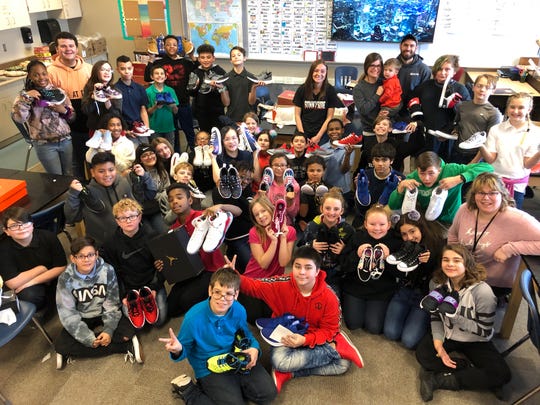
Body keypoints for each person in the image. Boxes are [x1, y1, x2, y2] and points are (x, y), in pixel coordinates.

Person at [239, 246, 364, 393]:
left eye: (308, 267)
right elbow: (254, 286)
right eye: (297, 266)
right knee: (279, 361)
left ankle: (288, 372)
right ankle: (334, 349)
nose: (302, 272)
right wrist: (232, 274)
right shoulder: (282, 283)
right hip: (287, 332)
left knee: (342, 366)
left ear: (317, 271)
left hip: (313, 337)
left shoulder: (329, 297)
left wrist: (305, 340)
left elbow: (330, 329)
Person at [159, 267, 277, 404]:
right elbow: (184, 348)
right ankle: (189, 391)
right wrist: (179, 349)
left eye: (228, 294)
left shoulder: (239, 310)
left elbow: (246, 335)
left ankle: (229, 390)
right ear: (210, 291)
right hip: (208, 365)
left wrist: (255, 348)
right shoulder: (192, 318)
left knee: (268, 394)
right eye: (217, 292)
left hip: (235, 355)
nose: (222, 299)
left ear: (236, 294)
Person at [415, 244, 511, 402]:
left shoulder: (482, 292)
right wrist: (439, 346)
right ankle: (469, 370)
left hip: (475, 339)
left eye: (456, 260)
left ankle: (440, 380)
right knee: (423, 354)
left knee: (502, 374)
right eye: (446, 259)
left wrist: (454, 316)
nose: (450, 264)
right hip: (449, 333)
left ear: (466, 264)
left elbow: (485, 331)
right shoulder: (436, 283)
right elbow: (436, 317)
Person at [55, 236, 143, 368]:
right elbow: (67, 314)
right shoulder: (65, 279)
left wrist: (108, 330)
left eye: (90, 255)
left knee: (129, 329)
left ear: (96, 254)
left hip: (104, 312)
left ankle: (98, 344)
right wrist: (88, 338)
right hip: (82, 316)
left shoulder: (107, 270)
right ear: (73, 258)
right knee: (61, 345)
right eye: (81, 256)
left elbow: (112, 304)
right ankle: (123, 346)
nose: (86, 260)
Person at [448, 172, 540, 294]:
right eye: (481, 193)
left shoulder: (517, 218)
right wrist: (454, 257)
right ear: (473, 195)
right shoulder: (465, 209)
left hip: (494, 283)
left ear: (502, 194)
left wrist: (510, 248)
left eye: (492, 193)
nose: (486, 198)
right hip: (463, 274)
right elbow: (453, 235)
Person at [100, 198, 167, 328]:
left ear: (140, 216)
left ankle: (148, 299)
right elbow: (113, 275)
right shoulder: (109, 245)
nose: (128, 220)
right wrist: (123, 296)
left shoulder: (153, 236)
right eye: (123, 218)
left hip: (151, 285)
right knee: (139, 325)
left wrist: (154, 287)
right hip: (129, 288)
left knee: (159, 321)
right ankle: (135, 300)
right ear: (117, 221)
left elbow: (162, 266)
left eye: (132, 216)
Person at [383, 214, 444, 349]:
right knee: (391, 333)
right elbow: (395, 272)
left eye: (412, 231)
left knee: (409, 340)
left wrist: (428, 262)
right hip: (405, 290)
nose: (409, 237)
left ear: (421, 228)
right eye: (404, 234)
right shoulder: (402, 245)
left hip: (424, 295)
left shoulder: (437, 245)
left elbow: (440, 280)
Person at [165, 182, 226, 317]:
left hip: (211, 270)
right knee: (170, 309)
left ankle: (215, 298)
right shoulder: (173, 229)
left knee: (187, 300)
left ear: (190, 200)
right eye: (171, 200)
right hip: (190, 272)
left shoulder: (203, 216)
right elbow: (176, 259)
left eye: (179, 197)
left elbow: (237, 211)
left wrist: (220, 206)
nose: (175, 202)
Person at [341, 204, 402, 334]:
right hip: (355, 288)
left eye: (382, 224)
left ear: (389, 225)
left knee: (373, 327)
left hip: (381, 291)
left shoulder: (396, 241)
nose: (377, 228)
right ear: (365, 224)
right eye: (372, 224)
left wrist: (388, 258)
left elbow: (401, 274)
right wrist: (356, 255)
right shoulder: (357, 237)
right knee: (353, 324)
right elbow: (344, 266)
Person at [387, 151, 493, 227]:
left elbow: (488, 168)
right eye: (422, 174)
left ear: (439, 170)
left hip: (449, 220)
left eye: (431, 173)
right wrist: (400, 188)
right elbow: (393, 205)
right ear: (417, 170)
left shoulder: (451, 170)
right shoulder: (412, 178)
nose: (426, 178)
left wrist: (459, 178)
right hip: (424, 218)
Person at [477, 92, 540, 209]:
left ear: (529, 109)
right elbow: (490, 159)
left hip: (516, 185)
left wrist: (539, 154)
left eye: (521, 108)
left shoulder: (535, 133)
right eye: (512, 107)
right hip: (494, 182)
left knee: (511, 220)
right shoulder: (496, 129)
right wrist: (480, 144)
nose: (516, 111)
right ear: (507, 108)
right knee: (489, 215)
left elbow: (527, 165)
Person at [12, 59, 74, 175]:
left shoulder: (58, 92)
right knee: (55, 177)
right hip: (45, 144)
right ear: (30, 76)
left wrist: (64, 111)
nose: (41, 78)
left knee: (69, 174)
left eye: (44, 74)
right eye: (36, 75)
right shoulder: (25, 96)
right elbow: (19, 118)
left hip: (65, 140)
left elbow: (72, 116)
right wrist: (26, 99)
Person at [0, 207, 67, 311]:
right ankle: (42, 309)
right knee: (30, 296)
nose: (21, 228)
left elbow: (61, 266)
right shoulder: (3, 249)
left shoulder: (48, 237)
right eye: (14, 226)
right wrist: (41, 269)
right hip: (26, 286)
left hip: (45, 278)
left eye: (25, 223)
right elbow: (13, 283)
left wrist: (32, 281)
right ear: (6, 231)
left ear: (32, 224)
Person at [64, 151, 135, 246]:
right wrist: (73, 195)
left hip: (130, 237)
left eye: (111, 169)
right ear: (92, 172)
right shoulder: (87, 193)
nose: (107, 175)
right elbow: (71, 218)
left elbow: (135, 207)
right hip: (104, 244)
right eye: (101, 171)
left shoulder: (123, 182)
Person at [408, 55, 471, 161]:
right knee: (422, 166)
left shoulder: (460, 89)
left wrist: (456, 105)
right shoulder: (426, 86)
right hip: (426, 135)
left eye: (447, 69)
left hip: (447, 138)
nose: (442, 73)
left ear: (454, 72)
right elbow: (412, 98)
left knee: (444, 168)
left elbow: (468, 114)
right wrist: (417, 118)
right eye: (440, 69)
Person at [47, 31, 92, 179]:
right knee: (75, 163)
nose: (68, 49)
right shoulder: (50, 73)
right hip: (67, 127)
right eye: (63, 46)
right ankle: (79, 193)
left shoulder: (89, 69)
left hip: (90, 124)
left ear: (77, 48)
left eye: (71, 46)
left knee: (94, 160)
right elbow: (51, 100)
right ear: (57, 49)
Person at [144, 35, 197, 151]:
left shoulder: (184, 62)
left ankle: (194, 152)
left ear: (178, 46)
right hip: (166, 105)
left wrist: (192, 55)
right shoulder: (160, 63)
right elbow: (148, 77)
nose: (171, 47)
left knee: (189, 130)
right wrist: (151, 58)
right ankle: (175, 154)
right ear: (164, 46)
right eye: (168, 44)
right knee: (174, 133)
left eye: (174, 44)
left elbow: (197, 69)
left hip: (183, 102)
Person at [301, 188, 354, 296]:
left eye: (336, 209)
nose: (331, 212)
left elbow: (353, 257)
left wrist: (344, 250)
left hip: (337, 276)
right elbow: (300, 250)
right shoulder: (311, 226)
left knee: (333, 301)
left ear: (342, 211)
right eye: (328, 208)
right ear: (321, 208)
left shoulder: (348, 230)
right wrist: (311, 246)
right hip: (313, 274)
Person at [211, 161, 255, 273]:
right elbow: (231, 212)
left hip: (251, 234)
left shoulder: (247, 190)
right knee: (247, 266)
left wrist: (237, 192)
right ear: (233, 175)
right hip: (235, 238)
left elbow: (247, 209)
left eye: (249, 179)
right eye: (242, 177)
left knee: (246, 267)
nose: (245, 181)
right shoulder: (218, 190)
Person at [450, 74, 502, 164]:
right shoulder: (462, 106)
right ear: (473, 87)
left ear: (493, 91)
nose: (482, 90)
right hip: (457, 152)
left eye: (487, 87)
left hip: (476, 156)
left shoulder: (494, 113)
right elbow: (458, 125)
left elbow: (489, 141)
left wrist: (475, 161)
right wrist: (453, 132)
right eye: (479, 86)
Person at [243, 195, 296, 279]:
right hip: (254, 279)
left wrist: (283, 237)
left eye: (263, 211)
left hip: (274, 281)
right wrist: (274, 241)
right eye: (256, 215)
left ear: (272, 209)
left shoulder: (290, 231)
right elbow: (264, 264)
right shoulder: (254, 232)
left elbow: (283, 263)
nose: (260, 216)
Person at [352, 142, 403, 227]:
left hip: (388, 219)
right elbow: (360, 210)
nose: (380, 164)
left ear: (391, 161)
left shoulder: (401, 179)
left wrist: (399, 190)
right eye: (377, 159)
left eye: (384, 160)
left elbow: (399, 209)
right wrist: (357, 188)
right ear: (372, 161)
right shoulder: (365, 176)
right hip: (364, 217)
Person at [293, 59, 342, 145]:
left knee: (320, 155)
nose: (319, 74)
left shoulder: (330, 90)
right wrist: (303, 135)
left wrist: (318, 137)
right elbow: (297, 115)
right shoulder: (302, 89)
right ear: (311, 72)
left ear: (326, 73)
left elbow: (329, 117)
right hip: (303, 130)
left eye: (322, 71)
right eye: (316, 71)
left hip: (321, 132)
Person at [189, 43, 229, 132]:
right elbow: (192, 94)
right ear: (198, 59)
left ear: (213, 58)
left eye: (208, 57)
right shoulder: (195, 72)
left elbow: (225, 91)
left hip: (217, 110)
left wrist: (219, 87)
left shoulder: (220, 71)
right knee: (205, 135)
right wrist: (195, 86)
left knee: (218, 134)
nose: (205, 60)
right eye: (202, 57)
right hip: (201, 111)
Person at [115, 55, 152, 146]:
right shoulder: (115, 90)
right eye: (123, 69)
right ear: (118, 70)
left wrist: (146, 128)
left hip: (141, 129)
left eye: (129, 68)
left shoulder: (140, 88)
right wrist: (124, 131)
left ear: (133, 68)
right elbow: (115, 113)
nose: (127, 71)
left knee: (145, 153)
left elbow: (143, 110)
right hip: (126, 131)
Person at [320, 118, 355, 213]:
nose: (334, 131)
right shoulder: (322, 149)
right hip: (326, 188)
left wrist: (347, 154)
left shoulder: (349, 148)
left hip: (343, 189)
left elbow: (344, 170)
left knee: (341, 216)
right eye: (331, 129)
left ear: (342, 130)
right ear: (327, 132)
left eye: (337, 129)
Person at [353, 52, 384, 151]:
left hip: (385, 132)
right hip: (370, 133)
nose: (375, 68)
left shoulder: (384, 83)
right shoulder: (359, 88)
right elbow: (363, 109)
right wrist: (377, 95)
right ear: (366, 66)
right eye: (372, 65)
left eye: (378, 65)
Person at [81, 60, 123, 134]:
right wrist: (93, 97)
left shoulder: (116, 91)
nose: (106, 72)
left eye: (109, 70)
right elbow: (85, 111)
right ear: (96, 72)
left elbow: (118, 115)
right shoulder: (89, 88)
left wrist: (109, 105)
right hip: (95, 130)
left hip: (112, 130)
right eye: (103, 70)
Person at [260, 152, 300, 226]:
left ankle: (288, 185)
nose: (279, 168)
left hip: (286, 222)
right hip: (268, 220)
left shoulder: (295, 186)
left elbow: (294, 214)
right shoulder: (265, 183)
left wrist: (289, 202)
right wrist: (262, 196)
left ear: (288, 167)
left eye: (282, 165)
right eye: (275, 165)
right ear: (270, 167)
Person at [396, 34, 431, 116]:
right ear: (400, 46)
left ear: (416, 48)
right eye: (405, 45)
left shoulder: (424, 70)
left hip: (412, 113)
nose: (408, 48)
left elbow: (424, 95)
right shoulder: (391, 66)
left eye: (411, 46)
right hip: (393, 110)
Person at [223, 46, 260, 124]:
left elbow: (252, 102)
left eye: (239, 55)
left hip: (248, 118)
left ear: (244, 58)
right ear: (230, 60)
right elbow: (226, 103)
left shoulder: (251, 77)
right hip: (232, 117)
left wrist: (254, 87)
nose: (236, 57)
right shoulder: (225, 78)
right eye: (233, 56)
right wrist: (221, 89)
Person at [145, 64, 179, 148]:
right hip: (154, 127)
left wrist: (173, 105)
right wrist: (156, 107)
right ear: (152, 77)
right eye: (156, 73)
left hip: (169, 126)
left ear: (165, 76)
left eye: (162, 73)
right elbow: (147, 112)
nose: (159, 75)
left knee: (170, 148)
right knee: (156, 149)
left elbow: (176, 111)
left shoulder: (170, 90)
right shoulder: (148, 91)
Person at [298, 155, 329, 230]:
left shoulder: (328, 188)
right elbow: (302, 214)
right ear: (307, 171)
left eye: (319, 170)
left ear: (323, 171)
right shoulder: (299, 186)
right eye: (311, 170)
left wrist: (320, 196)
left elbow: (323, 212)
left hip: (322, 222)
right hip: (303, 221)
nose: (315, 174)